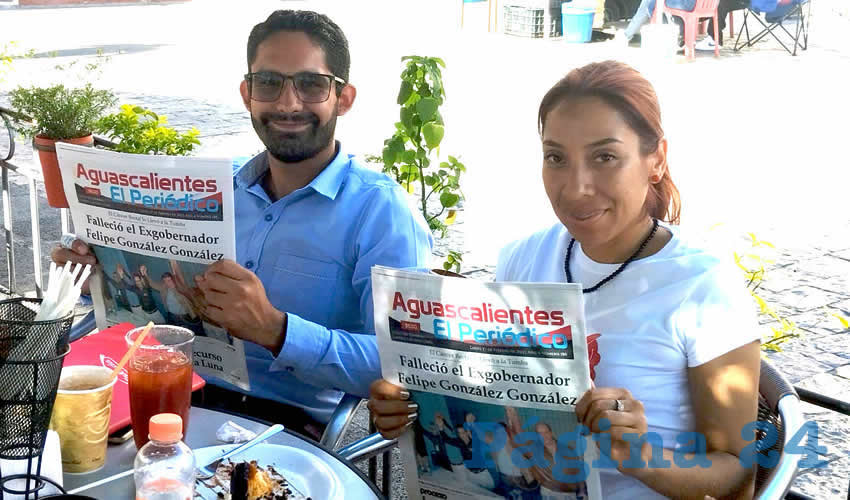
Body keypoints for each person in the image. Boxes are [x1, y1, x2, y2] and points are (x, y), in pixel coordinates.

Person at [367, 60, 760, 499]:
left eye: (605, 157)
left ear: (656, 161)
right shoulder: (523, 260)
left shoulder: (702, 286)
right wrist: (407, 407)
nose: (576, 188)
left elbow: (738, 472)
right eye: (556, 157)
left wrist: (644, 459)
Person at [51, 9, 432, 441]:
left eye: (311, 84)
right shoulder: (208, 187)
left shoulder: (380, 212)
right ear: (248, 93)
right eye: (269, 83)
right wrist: (92, 267)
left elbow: (406, 362)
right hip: (164, 396)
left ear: (343, 99)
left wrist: (277, 330)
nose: (288, 104)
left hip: (282, 427)